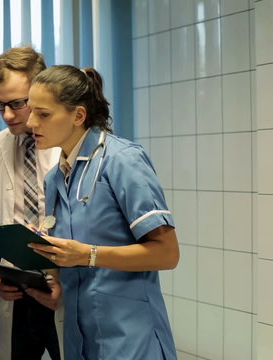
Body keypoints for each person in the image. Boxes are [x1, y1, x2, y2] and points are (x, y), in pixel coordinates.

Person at [26, 65, 179, 359]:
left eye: (43, 114)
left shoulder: (122, 161)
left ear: (78, 115)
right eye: (31, 111)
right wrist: (53, 279)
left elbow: (167, 253)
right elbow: (72, 257)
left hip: (131, 337)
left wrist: (88, 254)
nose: (31, 122)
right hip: (81, 337)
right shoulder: (55, 178)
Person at [0, 46, 63, 360]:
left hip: (62, 286)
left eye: (17, 103)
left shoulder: (66, 145)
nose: (7, 115)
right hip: (14, 287)